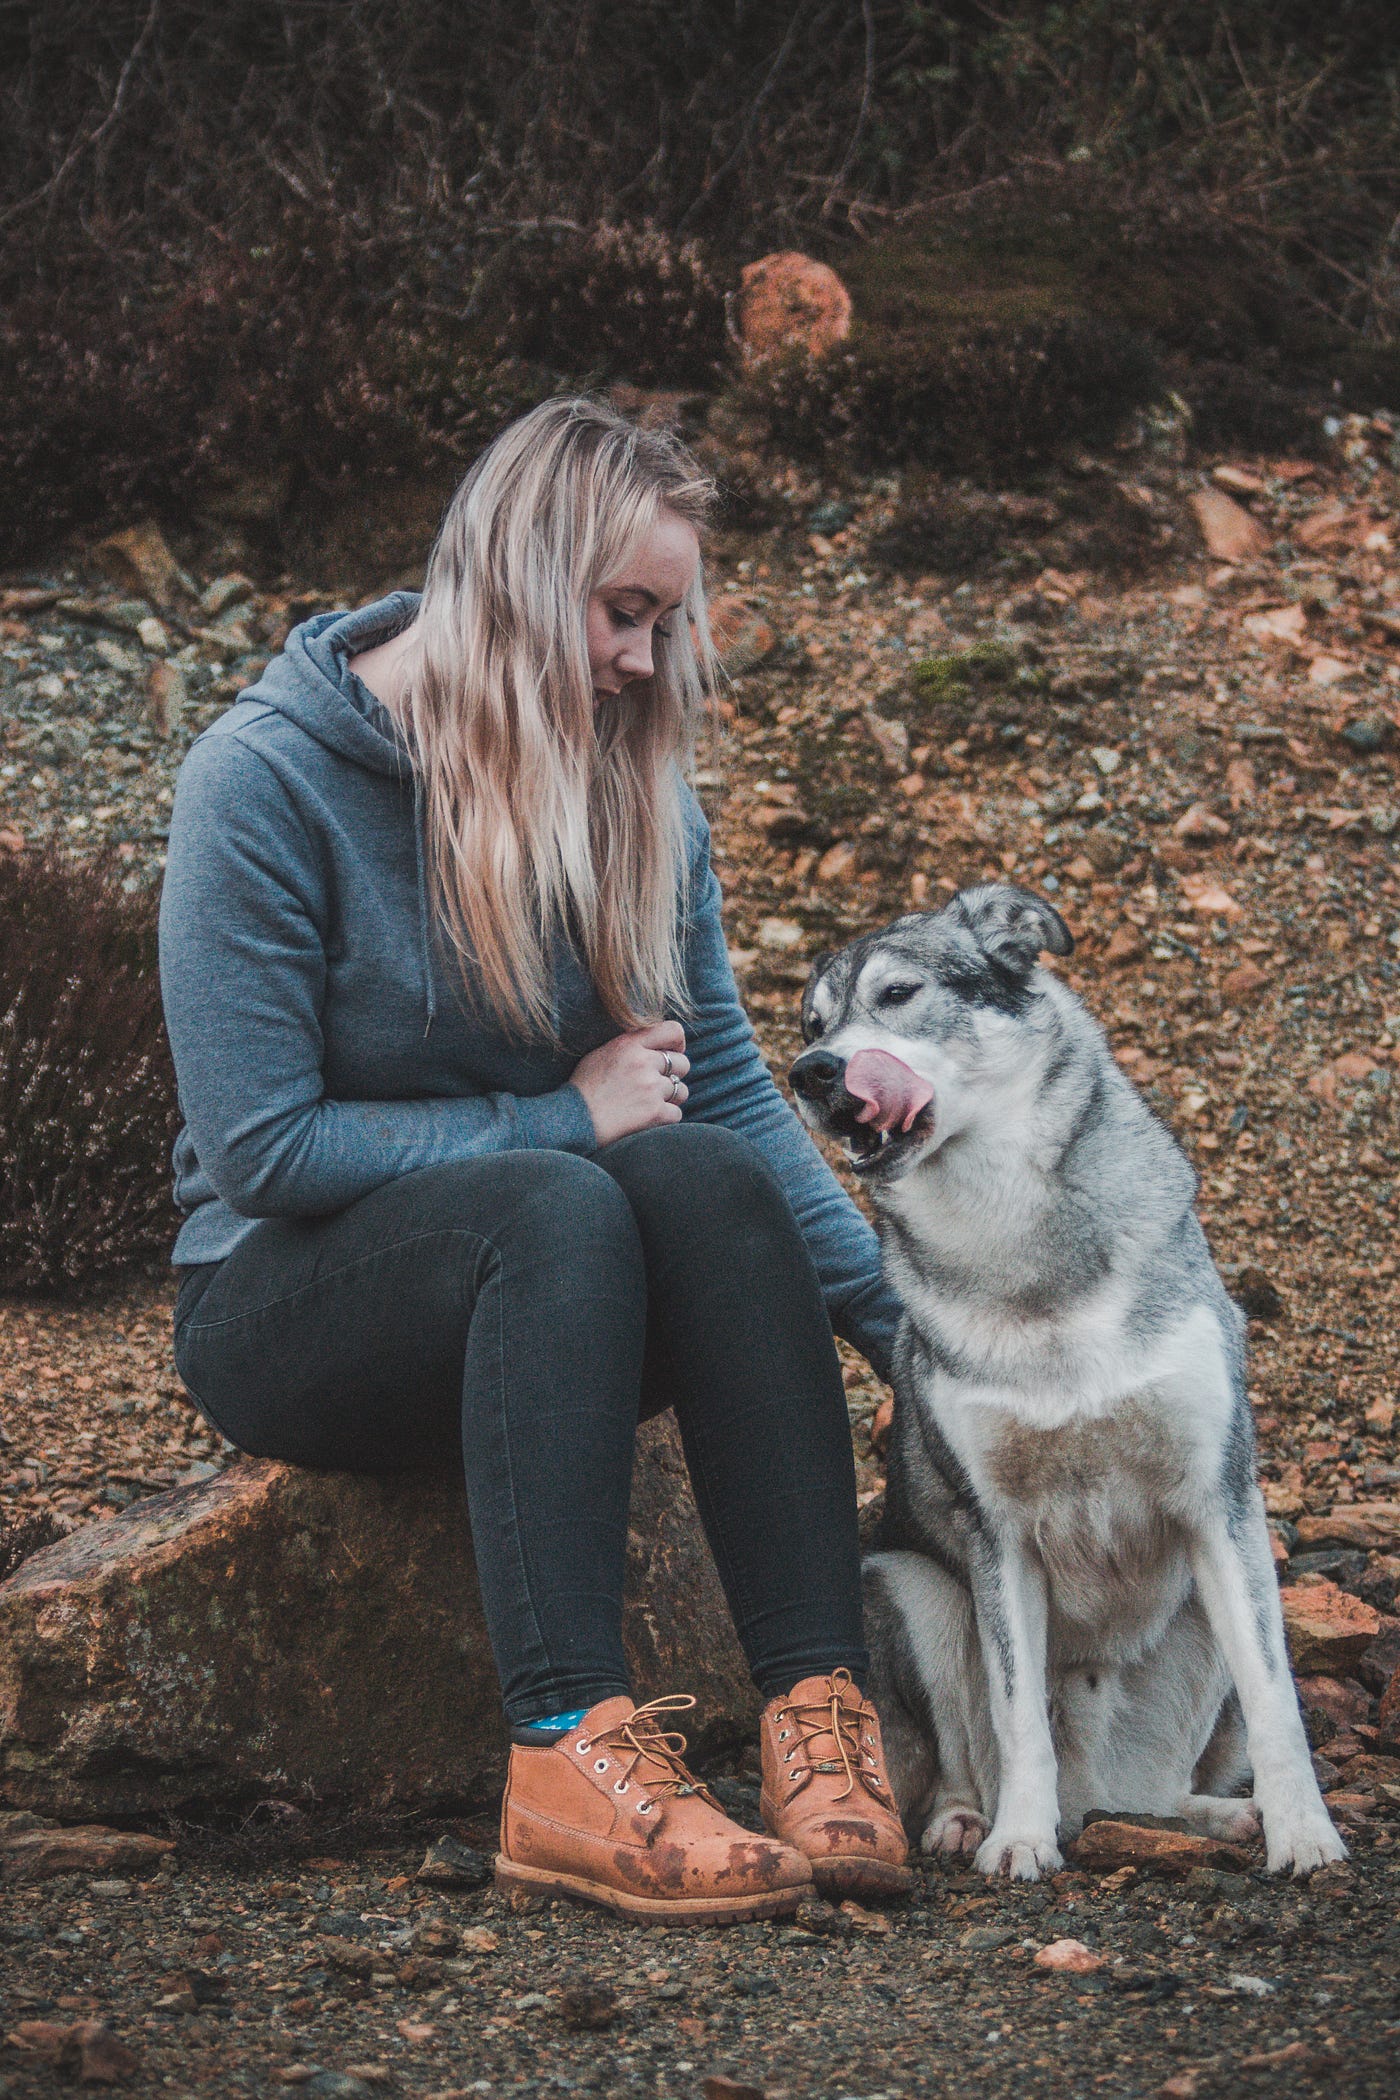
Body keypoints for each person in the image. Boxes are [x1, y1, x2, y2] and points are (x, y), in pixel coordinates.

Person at [159, 395, 911, 1924]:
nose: (644, 659)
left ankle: (817, 1715)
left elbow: (732, 1106)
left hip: (559, 1305)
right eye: (622, 613)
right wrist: (560, 1117)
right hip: (290, 1309)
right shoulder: (263, 782)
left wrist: (912, 1333)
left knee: (703, 1178)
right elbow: (260, 1149)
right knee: (565, 1197)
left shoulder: (626, 773)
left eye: (664, 621)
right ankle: (568, 1744)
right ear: (513, 577)